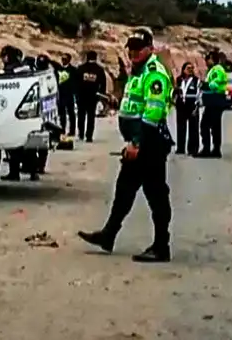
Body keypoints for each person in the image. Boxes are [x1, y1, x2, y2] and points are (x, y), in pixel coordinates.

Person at [78, 29, 174, 263]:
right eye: (130, 47)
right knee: (124, 190)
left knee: (156, 194)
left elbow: (152, 113)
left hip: (149, 142)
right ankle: (108, 235)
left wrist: (136, 142)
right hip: (138, 141)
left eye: (138, 48)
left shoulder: (154, 74)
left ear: (150, 49)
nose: (133, 52)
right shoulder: (137, 72)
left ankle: (162, 246)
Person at [0, 46, 40, 181]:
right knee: (28, 145)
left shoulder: (9, 70)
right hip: (28, 109)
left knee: (15, 146)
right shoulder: (26, 68)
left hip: (14, 110)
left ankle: (14, 173)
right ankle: (33, 172)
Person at [198, 50, 229, 158]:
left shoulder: (217, 70)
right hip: (213, 101)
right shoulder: (212, 70)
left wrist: (204, 85)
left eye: (208, 59)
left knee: (206, 125)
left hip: (215, 100)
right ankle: (214, 149)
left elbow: (214, 84)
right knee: (214, 126)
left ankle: (210, 149)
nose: (206, 62)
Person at [77, 51, 107, 142]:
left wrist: (77, 94)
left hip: (81, 96)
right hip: (93, 96)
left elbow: (76, 82)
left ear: (87, 57)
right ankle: (89, 136)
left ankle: (81, 134)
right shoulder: (99, 69)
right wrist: (101, 95)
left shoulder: (81, 68)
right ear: (95, 57)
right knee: (91, 116)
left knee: (81, 115)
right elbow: (103, 83)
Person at [173, 62, 201, 155]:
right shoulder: (179, 79)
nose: (190, 70)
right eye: (188, 68)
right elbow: (176, 92)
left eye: (192, 68)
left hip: (192, 106)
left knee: (193, 129)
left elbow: (198, 94)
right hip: (181, 106)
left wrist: (197, 106)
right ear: (183, 69)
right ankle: (180, 148)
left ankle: (193, 149)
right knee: (181, 128)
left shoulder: (196, 80)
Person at [58, 53, 78, 140]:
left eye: (65, 59)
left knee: (71, 113)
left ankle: (72, 130)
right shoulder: (58, 69)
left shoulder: (73, 70)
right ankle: (62, 129)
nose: (63, 60)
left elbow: (76, 82)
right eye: (62, 59)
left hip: (70, 94)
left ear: (69, 60)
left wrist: (75, 92)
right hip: (61, 94)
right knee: (62, 114)